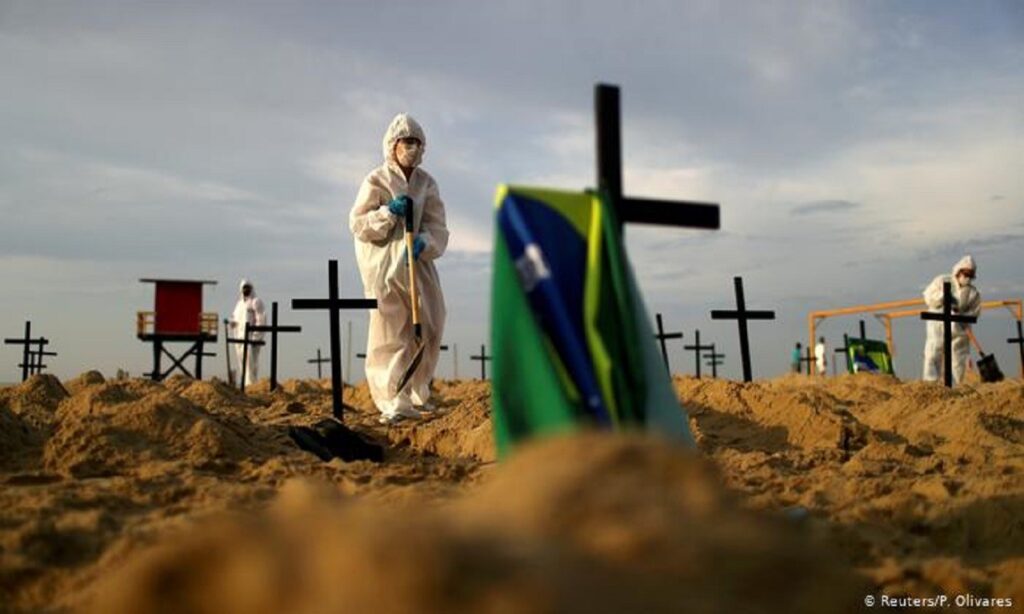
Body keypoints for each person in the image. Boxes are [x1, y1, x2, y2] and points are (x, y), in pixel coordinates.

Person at [350, 113, 448, 424]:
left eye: (419, 143)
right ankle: (393, 400)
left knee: (431, 322)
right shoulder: (376, 180)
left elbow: (438, 228)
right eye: (408, 142)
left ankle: (418, 392)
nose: (414, 148)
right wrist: (387, 213)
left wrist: (424, 242)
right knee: (391, 332)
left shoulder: (426, 183)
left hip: (417, 265)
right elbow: (358, 224)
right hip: (386, 268)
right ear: (393, 145)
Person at [922, 255, 981, 385]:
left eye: (971, 276)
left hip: (959, 328)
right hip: (938, 323)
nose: (968, 278)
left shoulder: (972, 293)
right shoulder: (942, 281)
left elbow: (975, 312)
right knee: (933, 351)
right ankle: (930, 384)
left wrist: (962, 314)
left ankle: (963, 384)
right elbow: (928, 297)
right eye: (966, 274)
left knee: (960, 357)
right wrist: (943, 298)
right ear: (959, 271)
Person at [230, 278, 266, 386]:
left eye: (248, 287)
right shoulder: (239, 304)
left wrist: (256, 336)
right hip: (239, 338)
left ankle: (252, 385)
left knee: (251, 363)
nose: (246, 289)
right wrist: (232, 323)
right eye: (244, 287)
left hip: (251, 338)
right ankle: (245, 384)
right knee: (242, 362)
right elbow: (235, 318)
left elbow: (261, 319)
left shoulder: (256, 302)